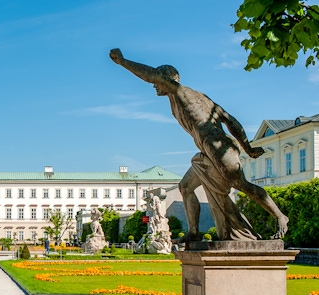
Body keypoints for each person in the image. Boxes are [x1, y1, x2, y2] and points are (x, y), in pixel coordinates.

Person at [109, 48, 288, 242]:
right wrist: (247, 148)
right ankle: (193, 232)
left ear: (170, 79)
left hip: (218, 146)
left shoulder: (182, 92)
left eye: (158, 81)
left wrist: (123, 62)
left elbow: (230, 121)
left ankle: (280, 216)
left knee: (240, 184)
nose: (154, 85)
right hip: (207, 149)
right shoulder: (191, 98)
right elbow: (231, 120)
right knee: (185, 187)